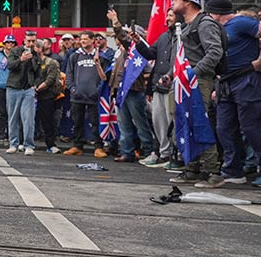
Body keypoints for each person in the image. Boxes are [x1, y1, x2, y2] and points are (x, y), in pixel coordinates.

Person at [205, 0, 261, 187]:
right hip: (227, 82)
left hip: (247, 79)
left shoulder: (241, 22)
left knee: (252, 126)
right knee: (224, 127)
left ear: (216, 13)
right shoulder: (221, 29)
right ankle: (233, 169)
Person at [167, 0, 227, 188]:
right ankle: (191, 168)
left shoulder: (204, 23)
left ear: (188, 2)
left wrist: (195, 71)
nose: (172, 2)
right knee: (186, 124)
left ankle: (213, 171)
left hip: (197, 81)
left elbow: (214, 52)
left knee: (199, 123)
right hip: (186, 82)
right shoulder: (186, 26)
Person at [107, 10, 154, 163]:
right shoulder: (121, 53)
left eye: (130, 34)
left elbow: (149, 71)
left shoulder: (139, 51)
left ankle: (148, 151)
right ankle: (127, 152)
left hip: (134, 90)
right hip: (122, 91)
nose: (126, 36)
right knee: (124, 124)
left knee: (140, 123)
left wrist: (116, 21)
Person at [135, 9, 177, 168]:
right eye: (167, 15)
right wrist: (138, 42)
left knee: (173, 122)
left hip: (173, 86)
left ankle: (174, 155)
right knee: (159, 121)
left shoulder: (183, 37)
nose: (167, 19)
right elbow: (150, 54)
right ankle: (164, 153)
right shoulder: (163, 37)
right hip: (158, 86)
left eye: (171, 16)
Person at [63, 31, 107, 157]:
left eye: (85, 39)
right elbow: (69, 74)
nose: (82, 41)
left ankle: (98, 147)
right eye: (81, 39)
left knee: (95, 122)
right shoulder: (75, 56)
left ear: (93, 40)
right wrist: (72, 89)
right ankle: (77, 146)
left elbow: (104, 76)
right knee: (77, 122)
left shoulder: (101, 57)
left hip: (94, 96)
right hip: (77, 96)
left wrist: (97, 91)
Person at [5, 30, 39, 155]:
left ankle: (29, 145)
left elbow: (37, 70)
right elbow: (10, 65)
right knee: (13, 118)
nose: (30, 43)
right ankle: (13, 144)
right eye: (29, 41)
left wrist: (35, 85)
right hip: (13, 87)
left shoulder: (36, 53)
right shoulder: (15, 51)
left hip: (28, 88)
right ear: (24, 40)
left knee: (29, 118)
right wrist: (21, 59)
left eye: (33, 41)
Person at [33, 39, 62, 153]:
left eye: (35, 47)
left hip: (46, 95)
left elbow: (50, 79)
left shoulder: (51, 62)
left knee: (48, 121)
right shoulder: (30, 61)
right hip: (31, 94)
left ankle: (51, 144)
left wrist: (37, 88)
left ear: (40, 49)